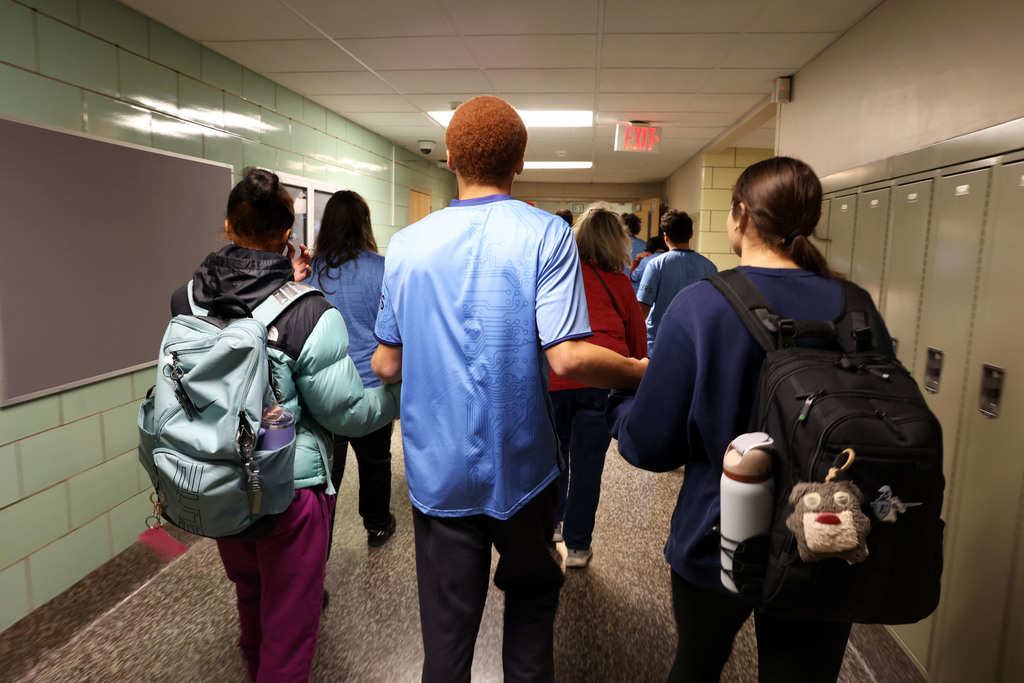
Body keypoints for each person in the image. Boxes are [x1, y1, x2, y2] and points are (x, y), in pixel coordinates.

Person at [371, 95, 646, 683]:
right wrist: (642, 371)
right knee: (530, 598)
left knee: (446, 635)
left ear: (449, 157)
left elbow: (387, 365)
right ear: (520, 161)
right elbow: (569, 357)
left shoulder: (406, 246)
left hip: (436, 470)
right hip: (522, 469)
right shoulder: (547, 235)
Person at [608, 156, 885, 683]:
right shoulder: (857, 307)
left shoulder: (702, 307)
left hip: (720, 534)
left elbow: (650, 445)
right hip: (823, 528)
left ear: (740, 215)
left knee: (698, 661)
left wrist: (618, 405)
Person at [171, 167, 400, 683]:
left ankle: (254, 667)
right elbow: (347, 413)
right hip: (286, 490)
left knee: (250, 595)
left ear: (228, 226)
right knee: (290, 625)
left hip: (219, 476)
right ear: (286, 237)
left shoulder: (184, 300)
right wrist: (400, 395)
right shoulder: (308, 313)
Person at [548, 207, 647, 568]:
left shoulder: (557, 278)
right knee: (588, 465)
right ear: (616, 242)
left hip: (556, 379)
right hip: (603, 380)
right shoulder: (620, 282)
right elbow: (638, 345)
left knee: (554, 457)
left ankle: (553, 526)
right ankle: (577, 547)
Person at [308, 190, 397, 548]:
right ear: (364, 224)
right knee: (376, 462)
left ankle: (319, 546)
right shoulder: (382, 268)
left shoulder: (311, 273)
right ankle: (377, 525)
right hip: (371, 389)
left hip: (323, 392)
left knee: (327, 472)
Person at [637, 209, 718, 355]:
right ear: (691, 234)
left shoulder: (656, 265)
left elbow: (642, 310)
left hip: (659, 345)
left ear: (666, 236)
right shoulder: (710, 267)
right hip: (694, 346)